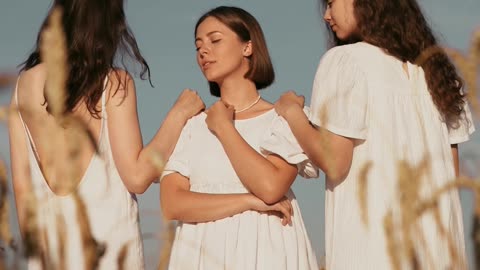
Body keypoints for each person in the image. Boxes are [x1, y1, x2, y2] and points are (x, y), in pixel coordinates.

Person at [274, 0, 476, 269]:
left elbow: (335, 161)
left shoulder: (345, 60)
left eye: (332, 3)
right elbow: (451, 174)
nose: (326, 15)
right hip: (437, 247)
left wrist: (292, 113)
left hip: (373, 245)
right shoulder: (439, 75)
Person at [8, 0, 204, 269]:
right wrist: (179, 114)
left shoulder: (23, 85)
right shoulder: (114, 83)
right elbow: (136, 176)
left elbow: (22, 188)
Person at [160, 6, 319, 270]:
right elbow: (172, 203)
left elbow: (270, 187)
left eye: (215, 40)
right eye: (198, 45)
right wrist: (247, 201)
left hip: (268, 253)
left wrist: (224, 128)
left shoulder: (284, 116)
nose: (203, 51)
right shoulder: (192, 125)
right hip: (203, 255)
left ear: (247, 47)